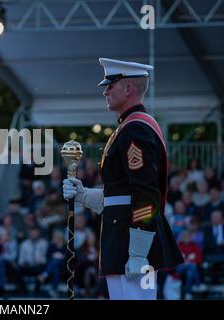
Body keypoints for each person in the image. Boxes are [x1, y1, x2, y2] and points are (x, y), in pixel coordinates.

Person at [63, 58, 184, 299]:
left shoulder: (135, 128)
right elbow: (121, 196)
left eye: (110, 85)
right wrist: (84, 195)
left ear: (128, 88)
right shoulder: (128, 126)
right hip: (124, 241)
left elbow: (146, 193)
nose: (105, 91)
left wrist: (138, 252)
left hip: (133, 243)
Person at [16, 226, 48, 295]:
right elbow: (21, 259)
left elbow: (44, 258)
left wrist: (40, 261)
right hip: (27, 266)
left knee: (41, 267)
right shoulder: (24, 244)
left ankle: (37, 291)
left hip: (39, 265)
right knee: (18, 269)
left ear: (38, 233)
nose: (34, 234)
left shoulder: (43, 243)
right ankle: (23, 290)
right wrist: (23, 263)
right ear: (29, 233)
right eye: (32, 232)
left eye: (35, 232)